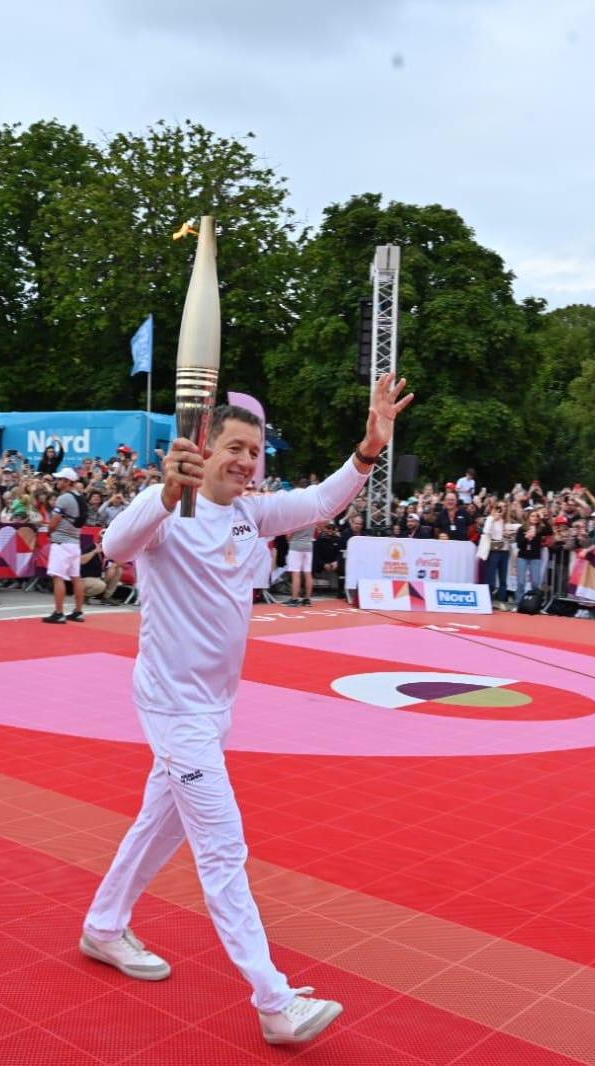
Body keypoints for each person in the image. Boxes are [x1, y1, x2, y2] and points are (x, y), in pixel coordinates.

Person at [80, 374, 413, 1047]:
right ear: (205, 449)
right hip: (173, 709)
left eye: (253, 452)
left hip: (214, 709)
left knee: (158, 826)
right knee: (222, 848)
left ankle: (102, 927)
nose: (244, 461)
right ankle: (273, 1000)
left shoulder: (249, 514)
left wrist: (369, 451)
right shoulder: (163, 505)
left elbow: (320, 500)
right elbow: (114, 548)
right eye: (233, 446)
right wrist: (166, 493)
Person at [41, 467, 87, 623]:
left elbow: (54, 521)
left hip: (61, 543)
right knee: (76, 577)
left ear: (68, 482)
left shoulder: (63, 498)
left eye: (60, 479)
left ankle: (59, 613)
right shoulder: (80, 497)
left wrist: (49, 531)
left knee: (58, 576)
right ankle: (78, 611)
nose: (57, 481)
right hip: (75, 542)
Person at [283, 521, 316, 606]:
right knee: (308, 572)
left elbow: (289, 536)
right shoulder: (313, 517)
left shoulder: (297, 517)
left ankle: (294, 599)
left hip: (296, 546)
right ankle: (307, 599)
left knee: (295, 573)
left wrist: (289, 539)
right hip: (308, 546)